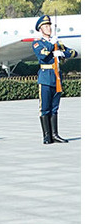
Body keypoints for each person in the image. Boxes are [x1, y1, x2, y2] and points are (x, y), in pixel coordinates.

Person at [32, 15, 78, 144]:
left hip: (57, 78)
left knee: (54, 108)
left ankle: (55, 134)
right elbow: (43, 54)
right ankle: (47, 136)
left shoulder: (57, 42)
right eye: (46, 26)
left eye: (49, 26)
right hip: (45, 78)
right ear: (40, 29)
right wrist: (51, 44)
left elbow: (73, 52)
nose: (49, 28)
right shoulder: (38, 43)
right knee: (45, 108)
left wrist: (62, 53)